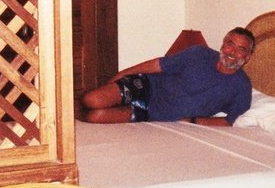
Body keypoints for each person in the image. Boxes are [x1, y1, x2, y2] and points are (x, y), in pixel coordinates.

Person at [81, 27, 256, 125]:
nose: (232, 52)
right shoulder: (199, 54)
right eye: (230, 44)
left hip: (152, 114)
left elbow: (230, 120)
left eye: (241, 49)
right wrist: (122, 74)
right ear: (222, 45)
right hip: (146, 87)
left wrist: (194, 121)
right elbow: (157, 64)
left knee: (94, 117)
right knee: (92, 100)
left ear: (247, 57)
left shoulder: (241, 86)